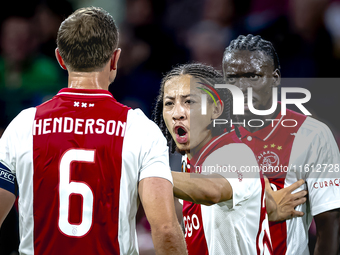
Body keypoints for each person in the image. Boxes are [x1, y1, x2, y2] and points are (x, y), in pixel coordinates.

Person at [0, 7, 187, 255]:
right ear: (115, 58)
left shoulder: (23, 125)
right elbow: (164, 228)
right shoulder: (140, 129)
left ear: (60, 58)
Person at [153, 63, 306, 255]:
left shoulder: (234, 152)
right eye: (169, 103)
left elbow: (213, 190)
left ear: (216, 110)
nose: (177, 113)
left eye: (189, 101)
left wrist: (148, 174)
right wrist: (264, 207)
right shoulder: (189, 163)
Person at [222, 34, 340, 255]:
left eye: (253, 76)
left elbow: (331, 223)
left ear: (275, 78)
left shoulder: (313, 135)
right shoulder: (209, 134)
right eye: (233, 78)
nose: (242, 86)